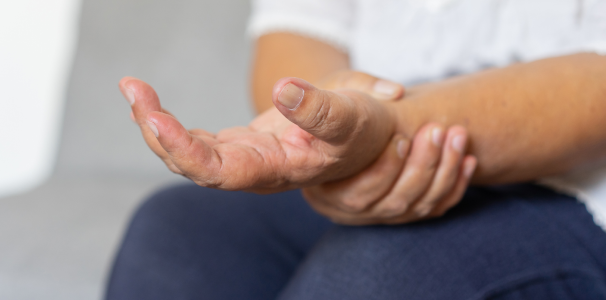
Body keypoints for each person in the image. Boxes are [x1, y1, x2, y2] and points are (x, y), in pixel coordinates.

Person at [105, 0, 606, 299]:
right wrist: (320, 139)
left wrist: (385, 132)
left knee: (374, 277)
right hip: (375, 130)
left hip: (581, 189)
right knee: (181, 235)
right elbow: (297, 28)